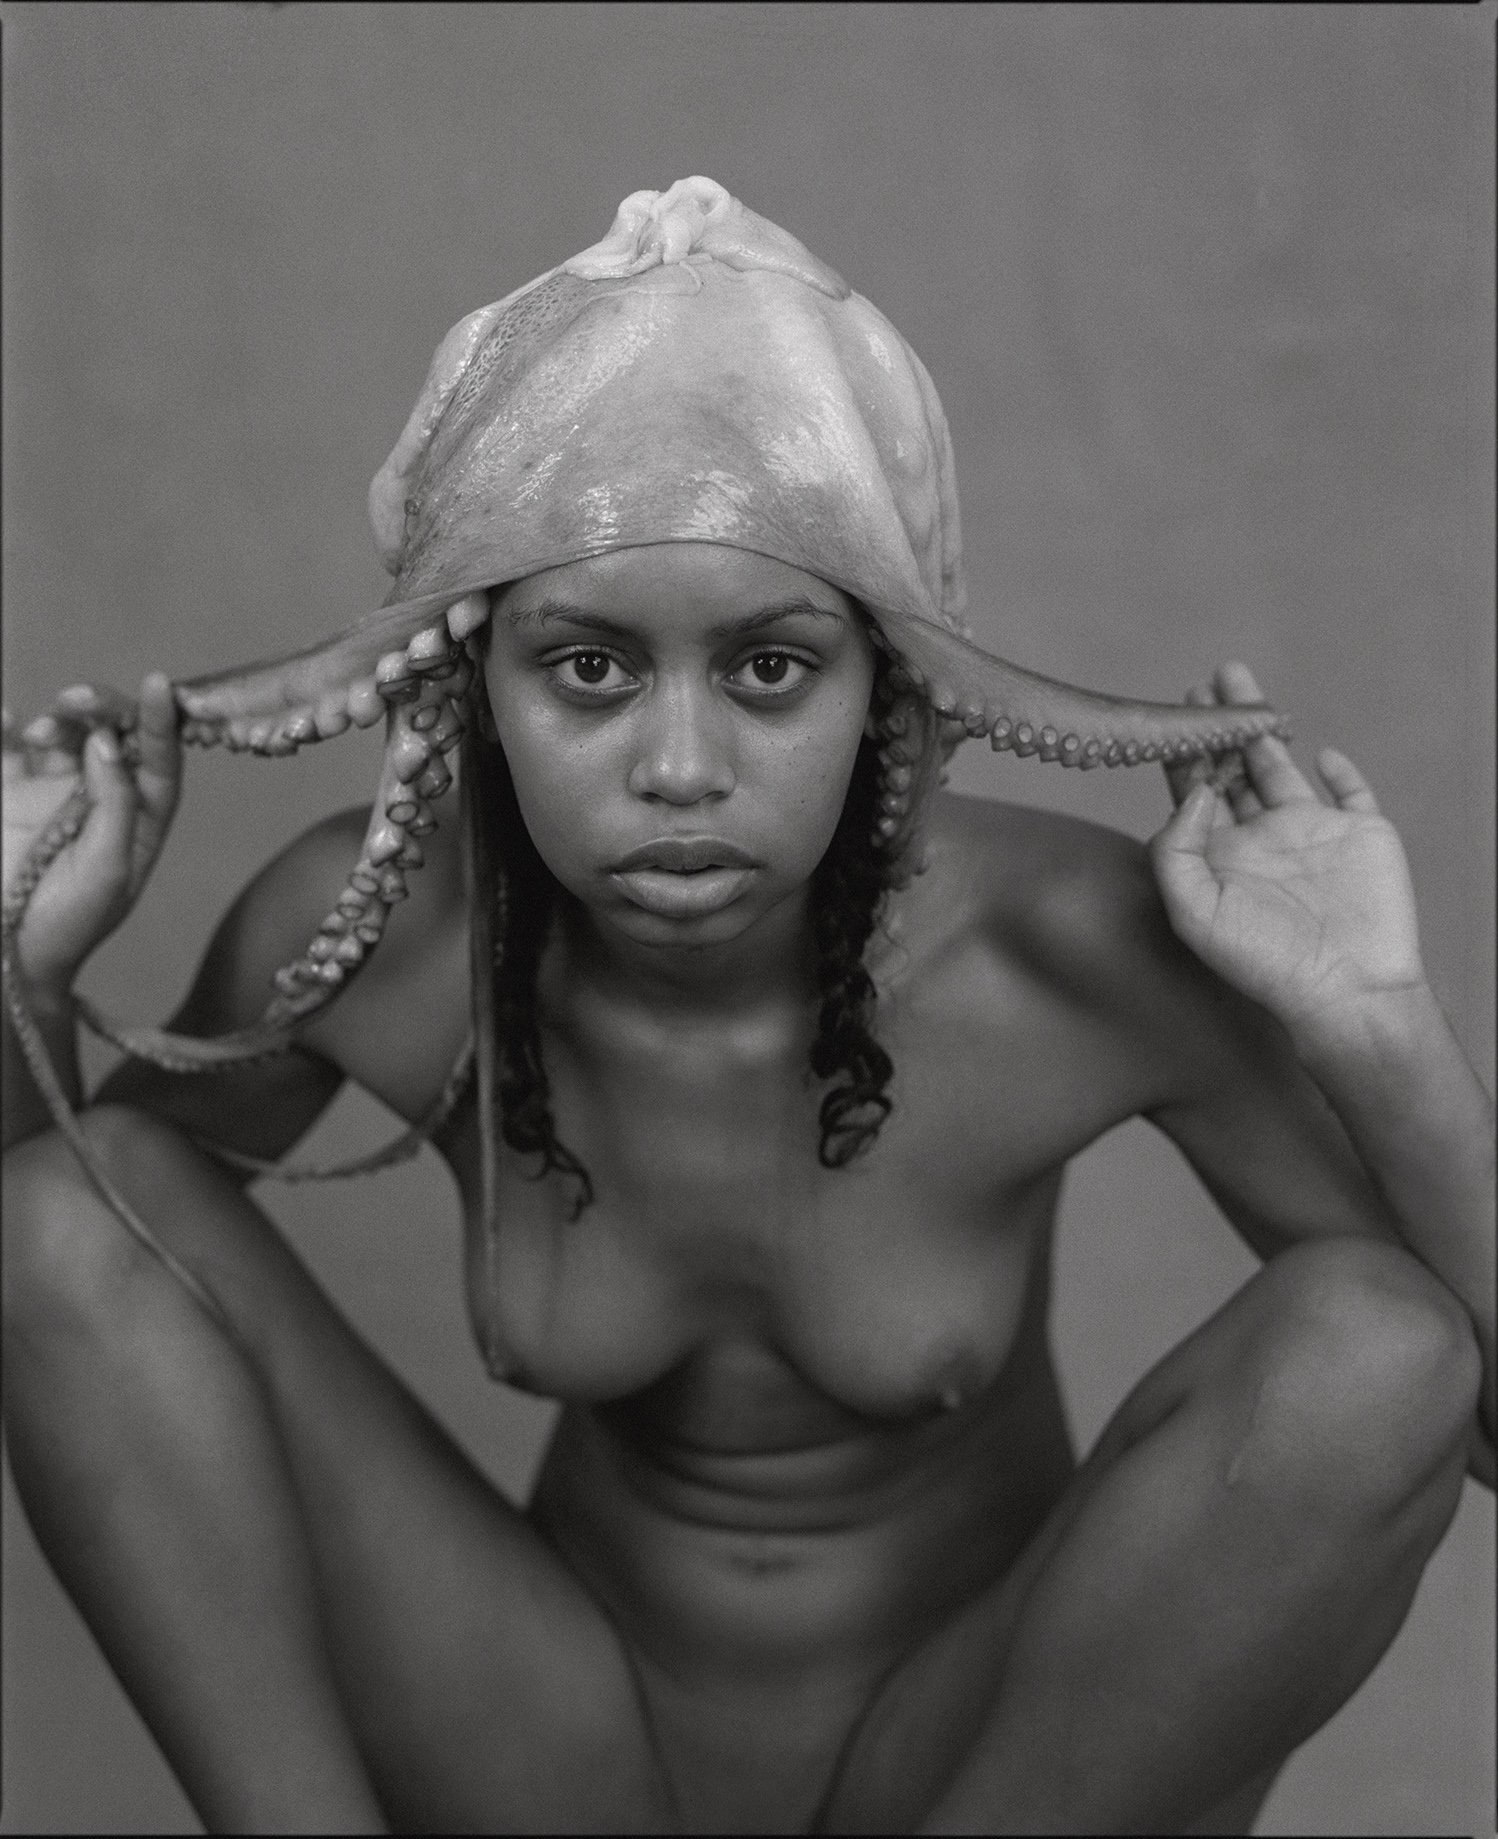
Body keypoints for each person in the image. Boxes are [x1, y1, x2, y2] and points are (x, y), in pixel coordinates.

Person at [2, 177, 1491, 1837]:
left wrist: (1376, 1023)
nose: (679, 768)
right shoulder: (378, 936)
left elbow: (1462, 1422)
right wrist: (18, 970)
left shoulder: (1069, 948)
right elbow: (78, 1313)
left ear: (882, 683)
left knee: (1375, 1342)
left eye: (770, 668)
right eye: (587, 668)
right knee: (66, 1201)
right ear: (472, 685)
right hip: (549, 1761)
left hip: (986, 1776)